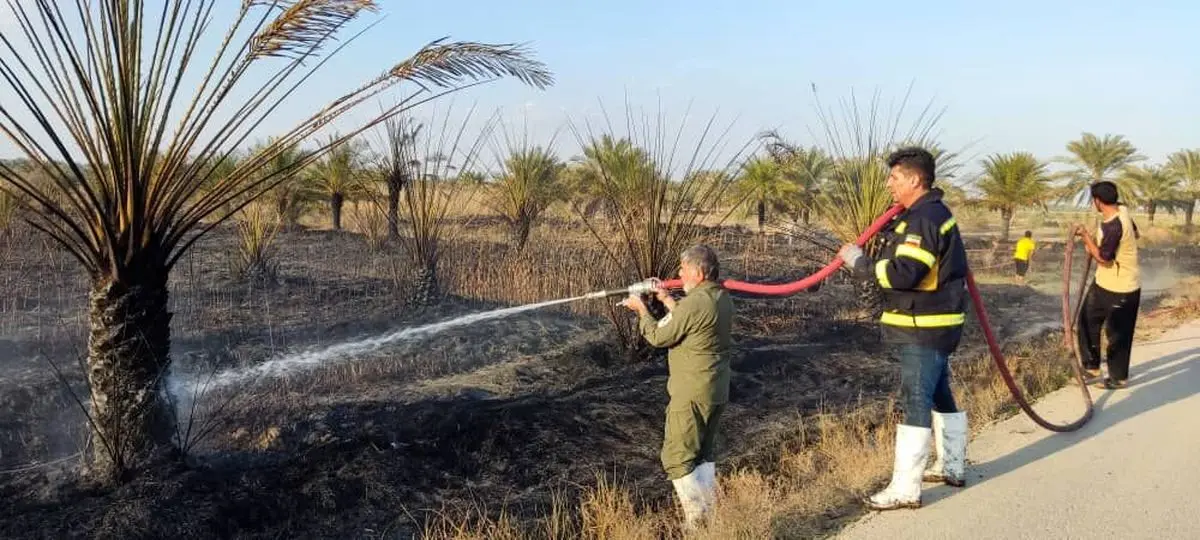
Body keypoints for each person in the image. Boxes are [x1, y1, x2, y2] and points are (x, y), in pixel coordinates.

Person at [835, 147, 970, 510]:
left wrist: (860, 263)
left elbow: (906, 273)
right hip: (935, 325)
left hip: (922, 327)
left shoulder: (924, 219)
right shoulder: (928, 214)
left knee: (915, 400)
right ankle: (952, 466)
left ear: (914, 179)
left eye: (894, 177)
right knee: (939, 392)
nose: (889, 184)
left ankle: (905, 488)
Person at [620, 244, 734, 530]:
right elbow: (689, 320)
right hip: (715, 390)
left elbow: (660, 336)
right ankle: (711, 518)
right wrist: (667, 298)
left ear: (697, 272)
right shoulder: (719, 298)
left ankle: (697, 523)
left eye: (683, 269)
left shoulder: (697, 303)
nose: (679, 273)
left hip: (692, 392)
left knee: (677, 458)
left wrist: (641, 310)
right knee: (702, 455)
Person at [1072, 181, 1141, 389]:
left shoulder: (1115, 225)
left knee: (1118, 334)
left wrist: (1086, 237)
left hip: (1123, 288)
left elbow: (1104, 259)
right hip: (1103, 282)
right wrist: (1095, 243)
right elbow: (1135, 234)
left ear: (1097, 201)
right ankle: (1091, 367)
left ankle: (1118, 378)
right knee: (1086, 320)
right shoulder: (1122, 211)